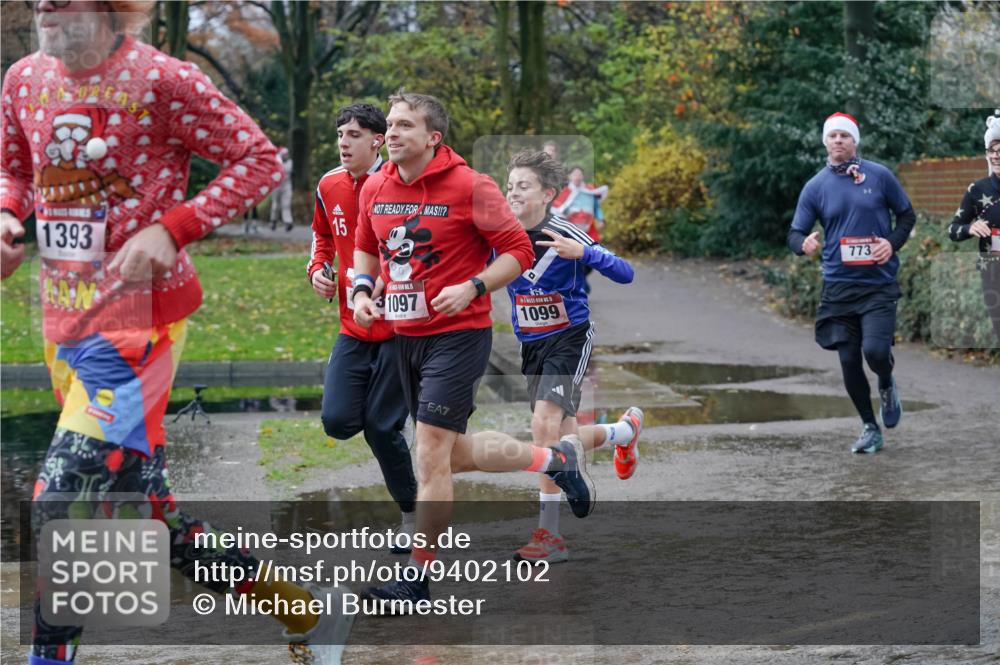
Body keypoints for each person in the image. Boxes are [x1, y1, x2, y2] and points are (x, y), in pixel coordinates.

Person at [0, 2, 351, 663]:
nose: (44, 2)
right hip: (62, 324)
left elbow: (258, 160)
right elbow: (14, 169)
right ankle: (305, 610)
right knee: (148, 513)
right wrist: (8, 217)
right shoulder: (23, 78)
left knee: (63, 500)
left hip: (140, 329)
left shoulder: (163, 81)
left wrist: (171, 228)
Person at [351, 91, 595, 607]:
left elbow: (519, 250)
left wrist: (475, 287)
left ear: (432, 138)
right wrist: (360, 291)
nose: (390, 133)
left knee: (431, 453)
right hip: (404, 335)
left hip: (458, 335)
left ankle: (417, 578)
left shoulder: (470, 186)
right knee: (452, 455)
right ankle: (553, 461)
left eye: (404, 126)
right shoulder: (375, 185)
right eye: (390, 125)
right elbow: (367, 247)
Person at [503, 149, 643, 564]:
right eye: (509, 186)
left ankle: (549, 536)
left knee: (542, 425)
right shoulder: (500, 233)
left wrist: (584, 254)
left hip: (569, 336)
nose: (513, 194)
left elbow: (625, 272)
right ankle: (623, 433)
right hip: (531, 342)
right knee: (560, 439)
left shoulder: (566, 231)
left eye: (523, 187)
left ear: (548, 194)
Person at [307, 103, 418, 549]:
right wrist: (318, 268)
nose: (343, 142)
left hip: (398, 328)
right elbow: (321, 234)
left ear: (377, 140)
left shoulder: (400, 183)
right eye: (340, 134)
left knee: (379, 427)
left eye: (353, 134)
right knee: (336, 421)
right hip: (353, 326)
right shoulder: (328, 183)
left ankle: (412, 517)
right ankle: (402, 424)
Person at [787, 112, 916, 454]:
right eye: (833, 136)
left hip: (877, 284)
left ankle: (886, 384)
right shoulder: (816, 186)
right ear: (825, 142)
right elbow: (795, 232)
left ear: (854, 140)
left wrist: (891, 242)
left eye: (845, 135)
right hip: (839, 287)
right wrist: (803, 244)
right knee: (847, 360)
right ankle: (870, 427)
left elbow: (907, 215)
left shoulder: (879, 175)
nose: (839, 141)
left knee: (875, 352)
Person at [948, 109, 1000, 345]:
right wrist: (970, 228)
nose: (996, 156)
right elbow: (953, 229)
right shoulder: (978, 190)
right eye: (992, 150)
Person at [270, 146, 294, 232]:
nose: (287, 156)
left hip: (287, 185)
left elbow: (288, 172)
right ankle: (273, 221)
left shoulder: (290, 162)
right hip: (277, 185)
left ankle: (288, 222)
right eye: (285, 154)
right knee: (275, 205)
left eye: (287, 154)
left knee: (286, 204)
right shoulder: (275, 163)